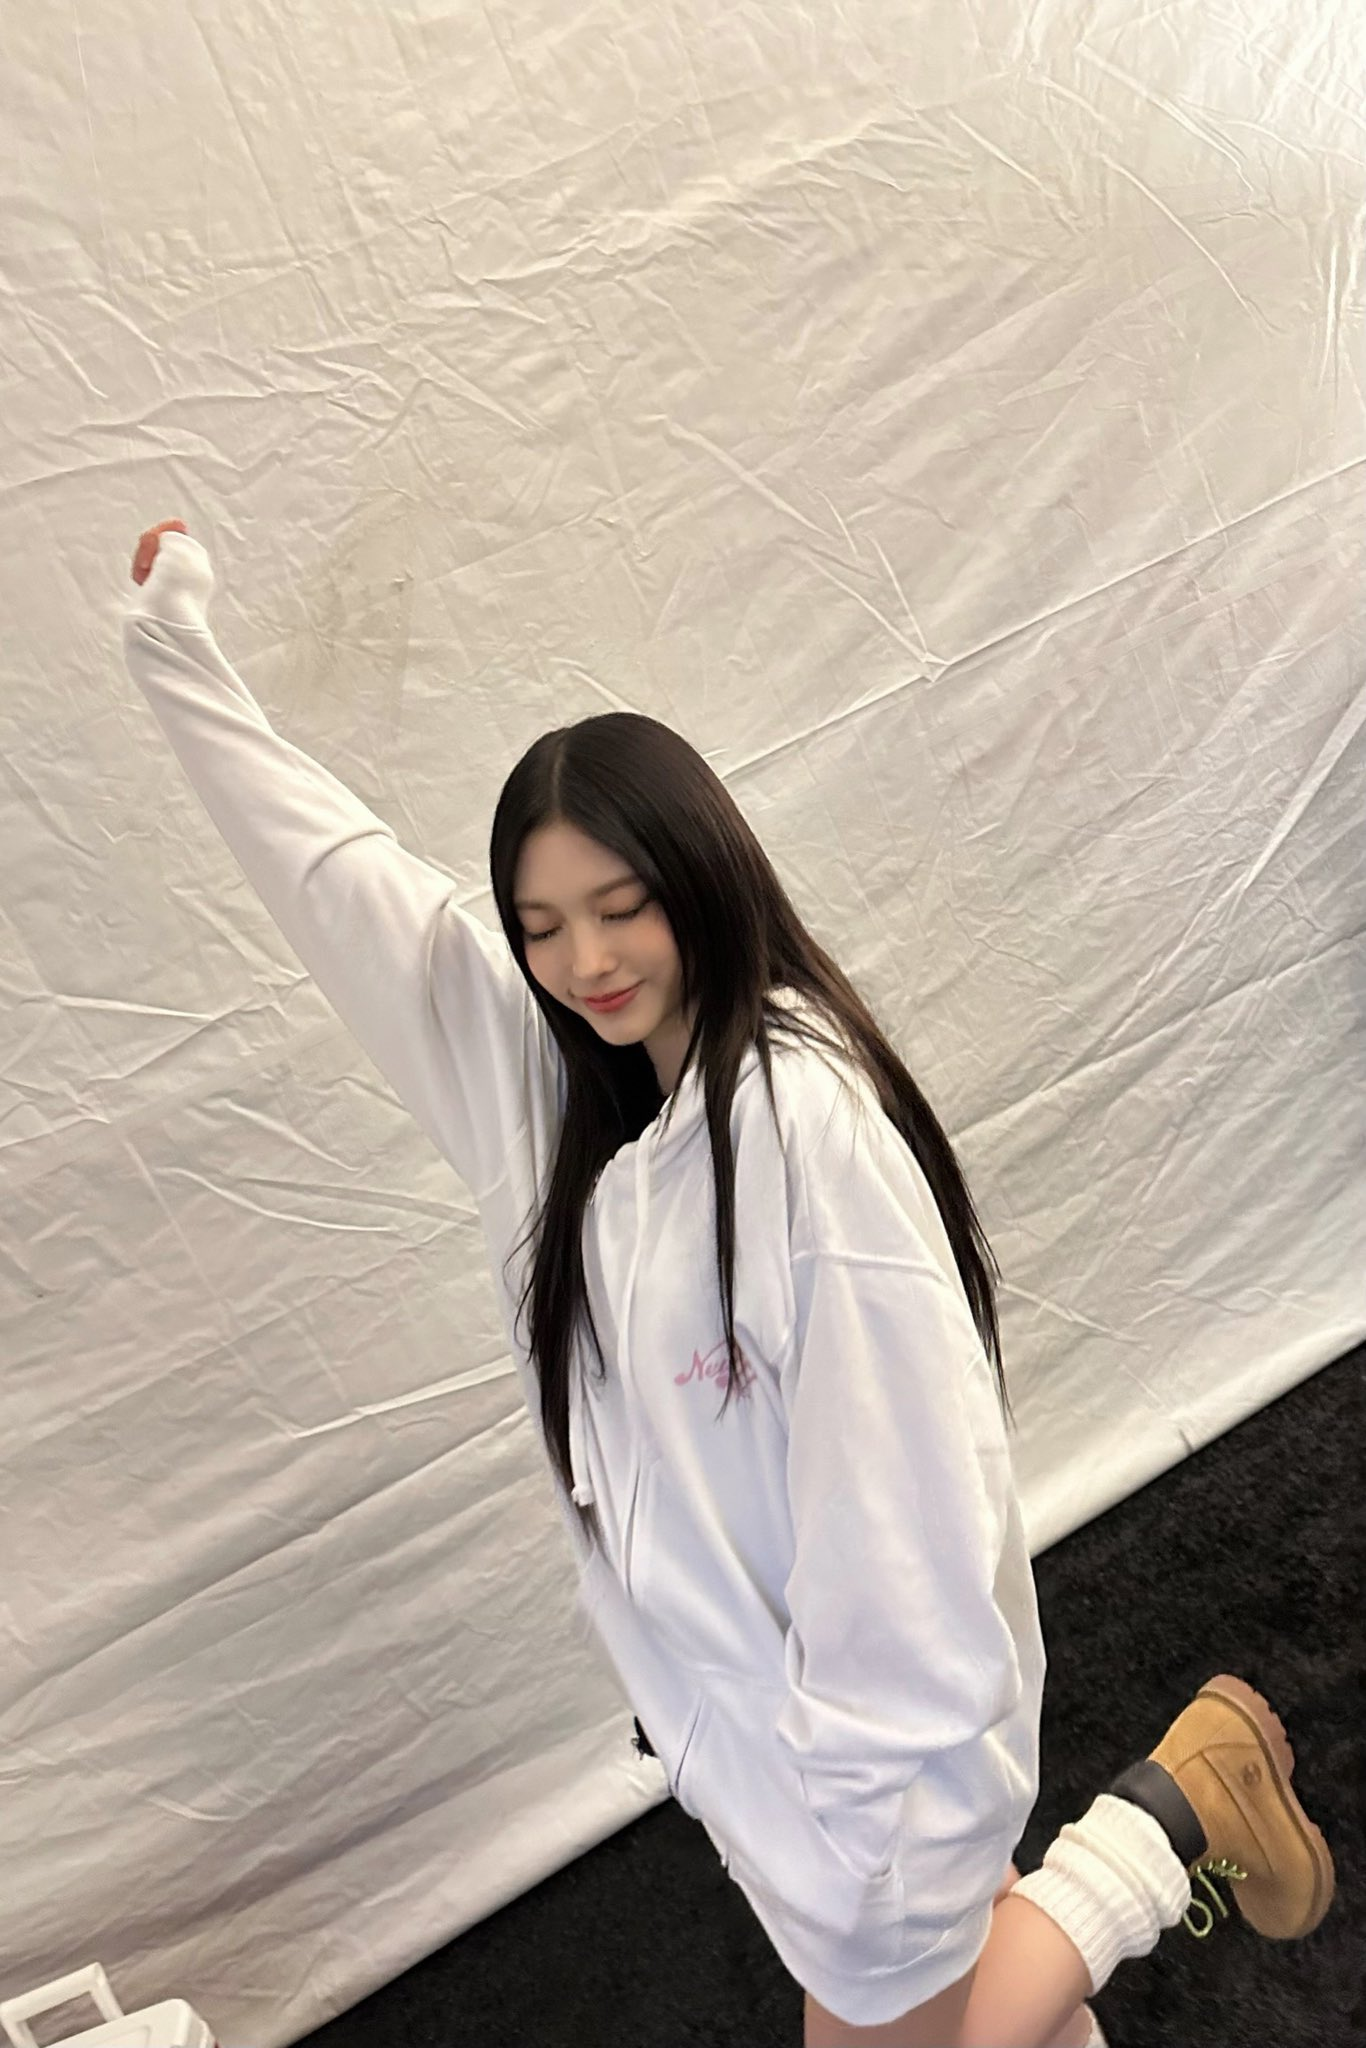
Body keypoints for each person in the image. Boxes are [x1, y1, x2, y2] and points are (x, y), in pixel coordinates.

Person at [123, 521, 1335, 2048]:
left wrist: (871, 1819)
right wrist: (179, 667)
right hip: (769, 1761)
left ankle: (1168, 1814)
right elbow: (356, 901)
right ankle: (1170, 1807)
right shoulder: (567, 1117)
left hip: (862, 1783)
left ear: (698, 873)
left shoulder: (798, 1135)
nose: (583, 960)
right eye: (540, 927)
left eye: (619, 905)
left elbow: (908, 1500)